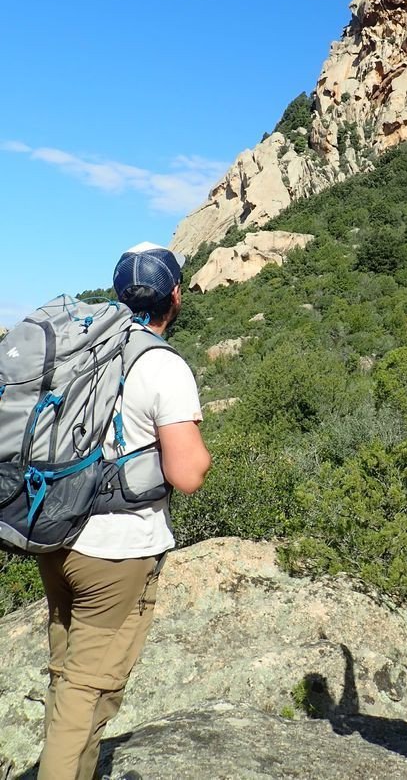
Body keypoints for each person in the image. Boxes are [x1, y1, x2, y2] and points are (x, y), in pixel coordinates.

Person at [35, 242, 212, 780]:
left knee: (66, 678)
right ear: (174, 297)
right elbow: (188, 474)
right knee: (86, 697)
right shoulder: (162, 366)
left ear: (117, 294)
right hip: (115, 554)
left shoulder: (82, 350)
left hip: (54, 531)